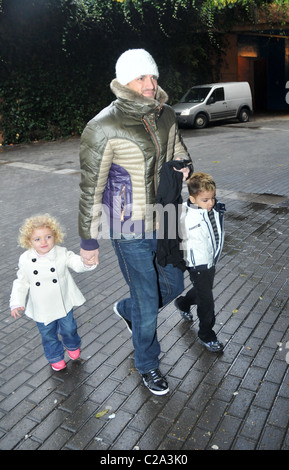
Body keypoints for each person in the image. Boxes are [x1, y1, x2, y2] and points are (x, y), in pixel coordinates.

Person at [78, 48, 192, 395]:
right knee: (147, 299)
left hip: (167, 215)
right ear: (124, 81)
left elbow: (179, 152)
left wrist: (184, 168)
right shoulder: (102, 127)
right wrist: (88, 240)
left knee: (173, 286)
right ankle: (148, 363)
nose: (150, 82)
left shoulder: (166, 114)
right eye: (141, 76)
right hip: (127, 225)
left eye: (153, 76)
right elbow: (90, 188)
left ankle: (127, 310)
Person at [10, 214, 97, 371]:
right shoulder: (26, 259)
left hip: (63, 302)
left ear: (55, 236)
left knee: (69, 328)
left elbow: (75, 263)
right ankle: (55, 357)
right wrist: (17, 302)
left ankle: (72, 344)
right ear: (29, 241)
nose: (43, 242)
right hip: (41, 307)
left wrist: (86, 262)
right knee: (48, 335)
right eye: (37, 239)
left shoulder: (61, 253)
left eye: (48, 237)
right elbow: (21, 282)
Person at [175, 172, 226, 353]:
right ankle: (206, 334)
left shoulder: (212, 210)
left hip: (210, 260)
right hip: (197, 264)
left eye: (212, 198)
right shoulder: (184, 215)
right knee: (207, 301)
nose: (210, 203)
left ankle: (183, 303)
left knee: (201, 290)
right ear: (192, 198)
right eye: (205, 200)